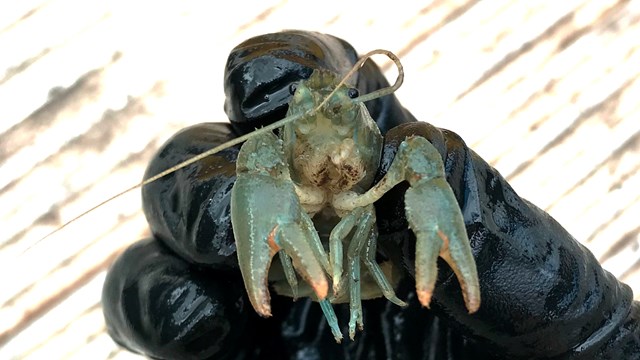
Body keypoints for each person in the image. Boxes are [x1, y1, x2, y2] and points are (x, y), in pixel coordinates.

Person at [102, 31, 640, 359]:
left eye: (335, 109)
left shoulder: (386, 152)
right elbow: (258, 163)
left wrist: (599, 343)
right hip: (303, 282)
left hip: (393, 268)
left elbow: (414, 161)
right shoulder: (273, 161)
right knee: (193, 281)